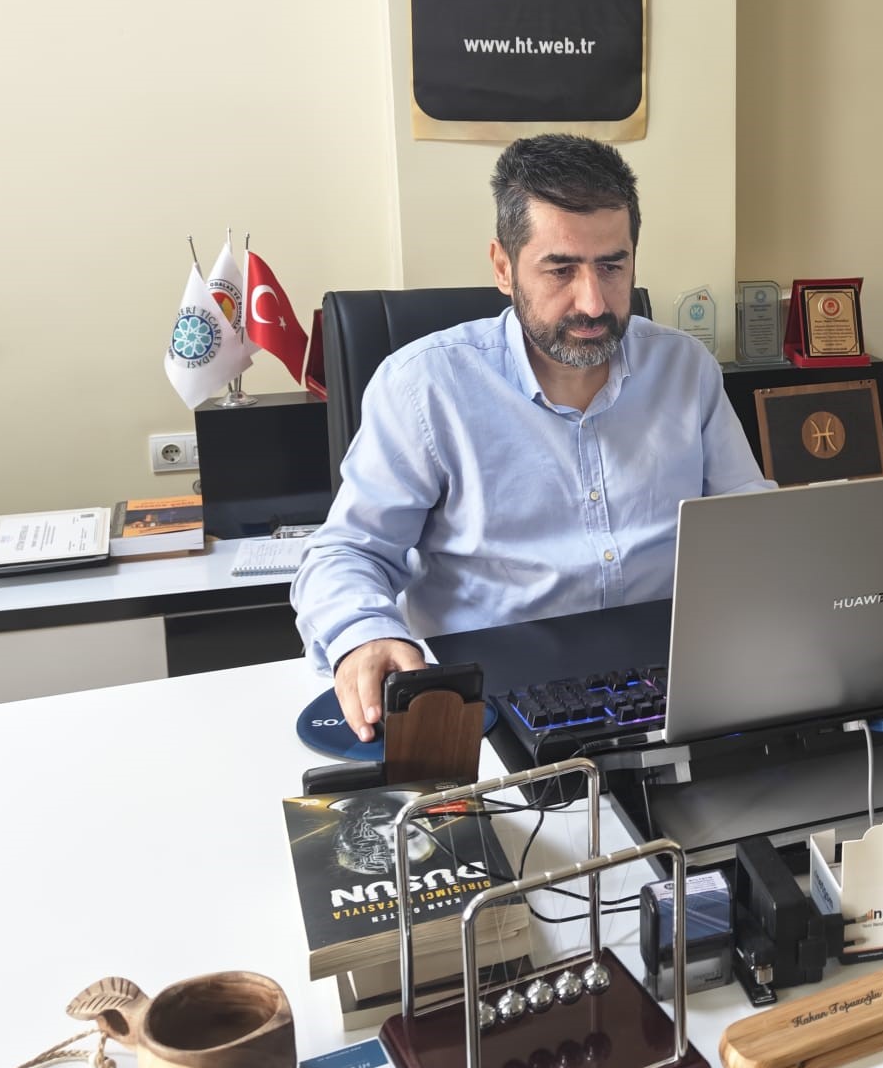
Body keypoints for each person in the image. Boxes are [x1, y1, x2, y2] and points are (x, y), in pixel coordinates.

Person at [292, 134, 769, 741]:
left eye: (612, 266)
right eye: (561, 269)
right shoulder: (424, 386)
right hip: (494, 700)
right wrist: (365, 636)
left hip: (673, 684)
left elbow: (749, 525)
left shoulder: (685, 368)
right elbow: (348, 553)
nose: (592, 302)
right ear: (502, 266)